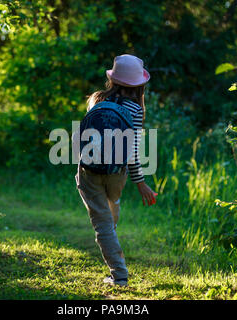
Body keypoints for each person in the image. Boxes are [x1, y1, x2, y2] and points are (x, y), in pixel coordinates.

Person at [74, 54, 157, 287]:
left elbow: (82, 134)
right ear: (139, 84)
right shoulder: (136, 109)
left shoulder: (97, 99)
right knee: (111, 207)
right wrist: (140, 183)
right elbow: (133, 150)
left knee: (103, 224)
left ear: (113, 79)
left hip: (89, 170)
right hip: (117, 173)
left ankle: (119, 276)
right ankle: (111, 222)